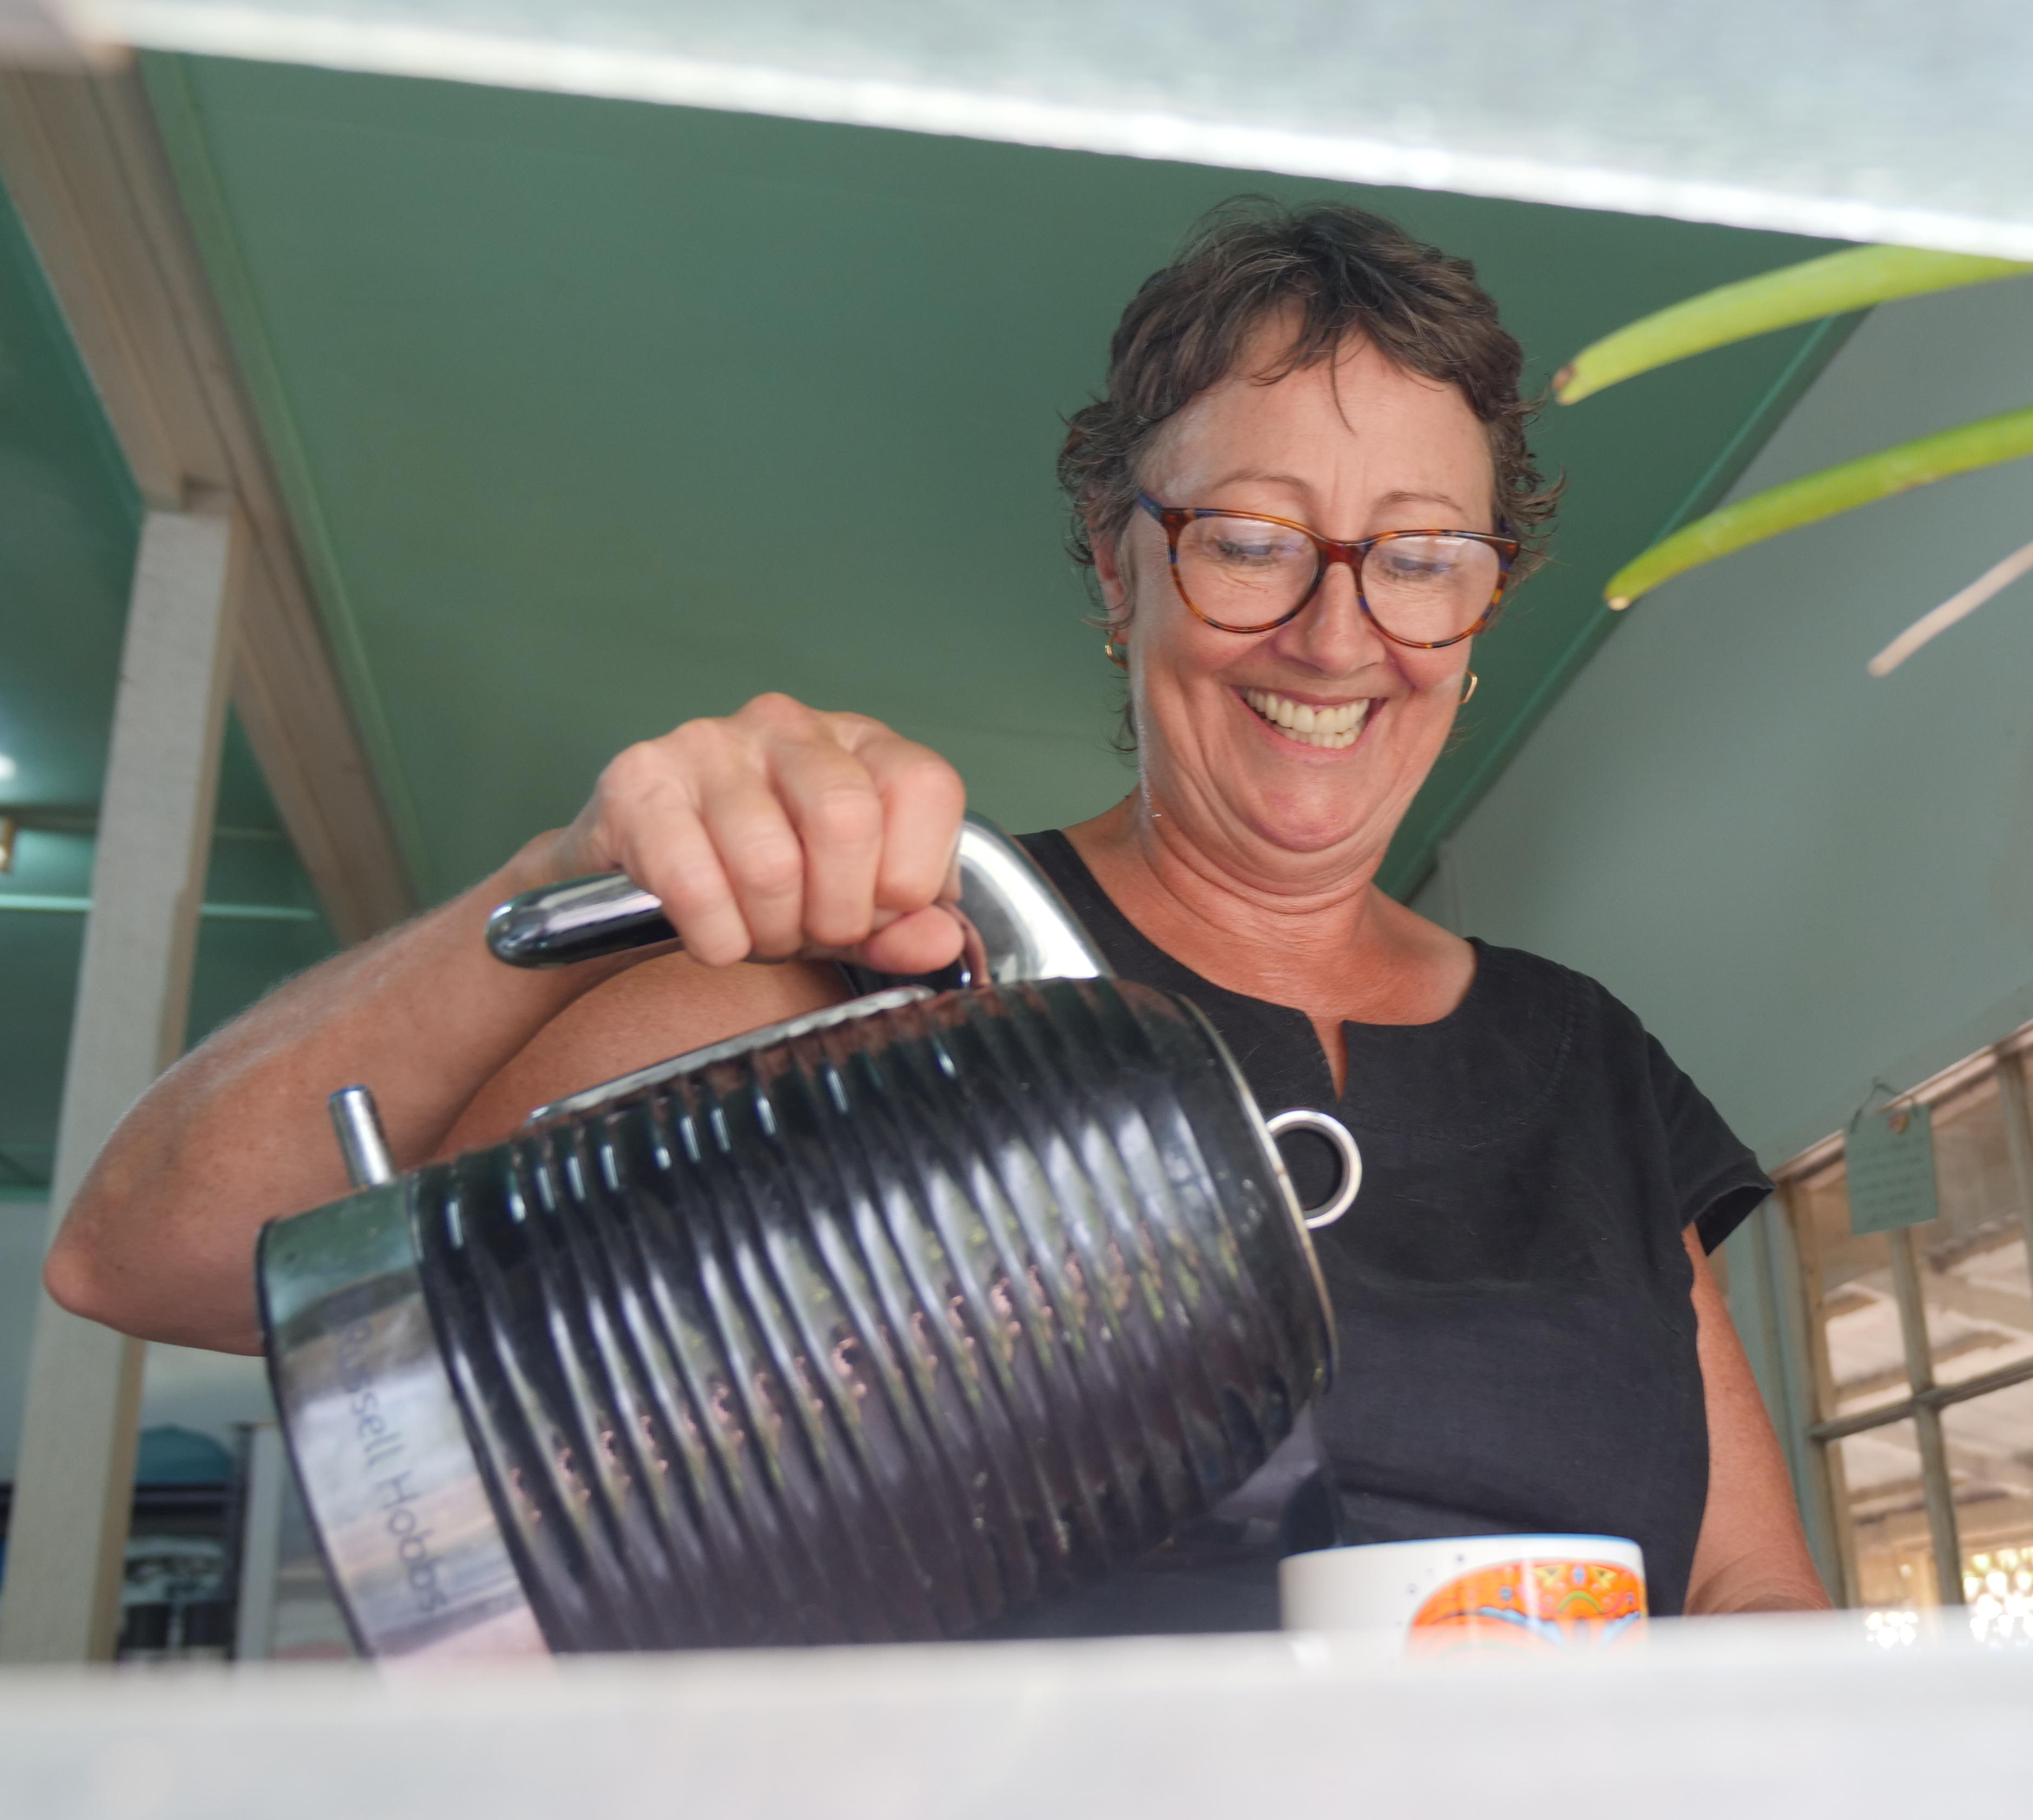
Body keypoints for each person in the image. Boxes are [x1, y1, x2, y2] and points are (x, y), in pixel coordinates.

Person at [48, 201, 1828, 1625]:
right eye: (1249, 536)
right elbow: (152, 1258)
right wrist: (556, 873)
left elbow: (1750, 1587)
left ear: (1483, 602)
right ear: (1114, 560)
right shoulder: (897, 968)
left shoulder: (1587, 1060)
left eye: (1419, 555)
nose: (1336, 631)